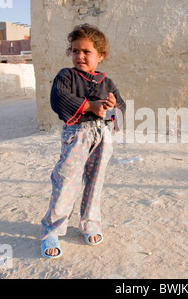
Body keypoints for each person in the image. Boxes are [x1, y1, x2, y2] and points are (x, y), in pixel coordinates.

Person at [40, 23, 126, 259]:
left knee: (95, 181)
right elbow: (59, 99)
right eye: (75, 50)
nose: (80, 56)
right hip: (77, 135)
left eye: (87, 52)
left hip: (102, 137)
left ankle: (90, 223)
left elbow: (120, 110)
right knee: (66, 180)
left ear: (100, 55)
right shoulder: (66, 76)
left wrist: (109, 109)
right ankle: (52, 229)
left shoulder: (108, 83)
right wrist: (90, 106)